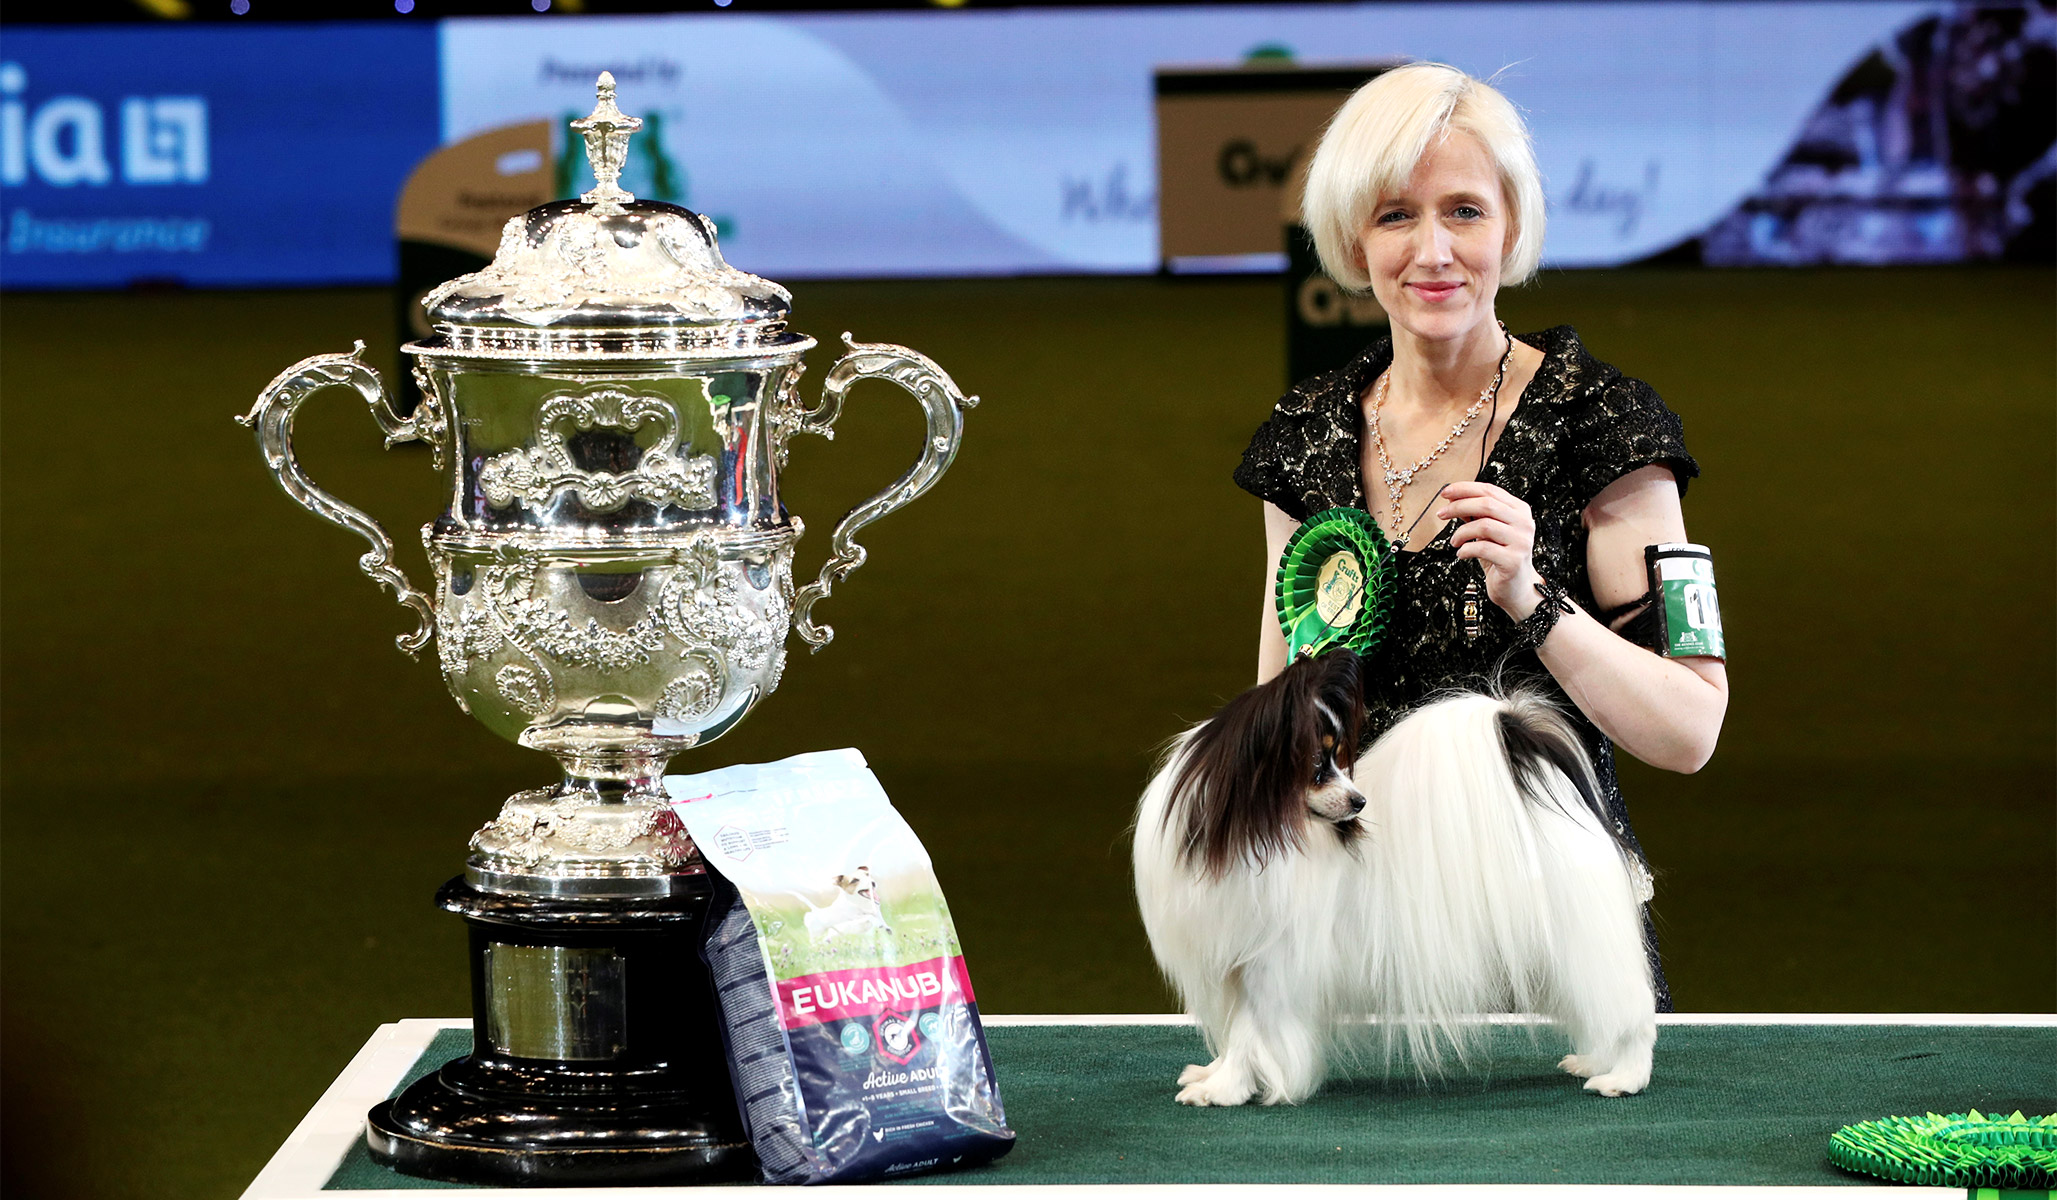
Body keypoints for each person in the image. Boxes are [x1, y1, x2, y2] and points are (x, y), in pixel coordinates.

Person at [1234, 63, 1729, 1010]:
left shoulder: (1607, 424)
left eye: (1463, 211)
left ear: (1512, 226)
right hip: (1356, 958)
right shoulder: (1303, 440)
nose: (1433, 252)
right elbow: (1280, 728)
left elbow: (1690, 731)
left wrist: (1533, 601)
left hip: (1548, 950)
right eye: (1394, 215)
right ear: (1349, 238)